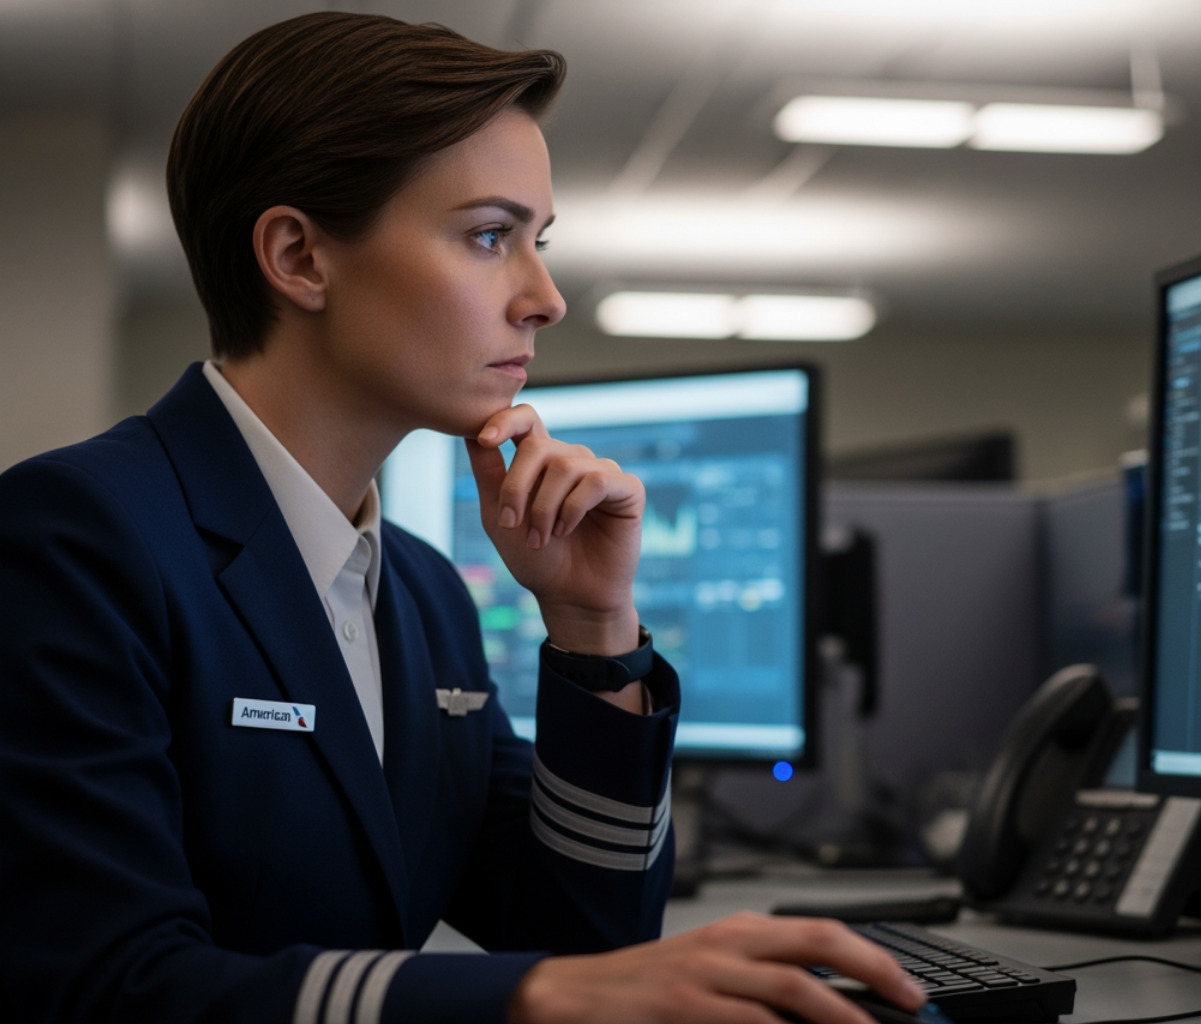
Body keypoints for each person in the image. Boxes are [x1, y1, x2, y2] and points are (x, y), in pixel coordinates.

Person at [0, 12, 927, 1024]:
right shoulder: (76, 537)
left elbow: (589, 939)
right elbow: (106, 985)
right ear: (300, 257)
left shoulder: (423, 592)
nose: (545, 297)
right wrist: (529, 994)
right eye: (491, 236)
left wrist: (592, 634)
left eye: (539, 242)